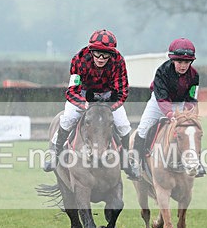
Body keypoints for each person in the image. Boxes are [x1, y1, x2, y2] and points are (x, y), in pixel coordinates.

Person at [43, 29, 140, 180]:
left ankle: (127, 161)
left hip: (108, 98)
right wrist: (83, 105)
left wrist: (109, 107)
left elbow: (122, 91)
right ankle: (55, 155)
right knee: (68, 119)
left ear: (112, 54)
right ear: (91, 50)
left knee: (123, 125)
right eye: (98, 53)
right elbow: (72, 90)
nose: (101, 58)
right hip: (83, 95)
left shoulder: (118, 61)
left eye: (105, 54)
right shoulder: (79, 59)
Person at [132, 37, 205, 177]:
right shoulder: (162, 71)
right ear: (172, 60)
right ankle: (135, 162)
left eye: (187, 62)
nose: (183, 66)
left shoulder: (194, 75)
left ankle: (197, 162)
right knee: (143, 128)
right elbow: (162, 97)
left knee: (191, 130)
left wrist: (187, 115)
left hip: (180, 103)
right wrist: (170, 114)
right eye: (179, 62)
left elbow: (191, 98)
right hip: (159, 102)